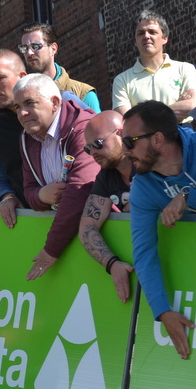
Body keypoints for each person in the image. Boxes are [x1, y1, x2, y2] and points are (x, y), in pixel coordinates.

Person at [123, 100, 196, 359]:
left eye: (130, 142)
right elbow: (144, 254)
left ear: (157, 139)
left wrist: (188, 196)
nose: (125, 152)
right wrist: (162, 310)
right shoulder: (143, 188)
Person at [13, 73, 98, 280]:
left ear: (54, 102)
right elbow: (29, 191)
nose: (22, 113)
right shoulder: (27, 137)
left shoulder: (84, 127)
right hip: (69, 243)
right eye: (17, 107)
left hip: (104, 237)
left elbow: (80, 192)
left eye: (29, 103)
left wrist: (51, 249)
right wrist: (42, 196)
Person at [78, 111, 136, 302]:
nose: (93, 153)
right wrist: (112, 264)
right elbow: (87, 227)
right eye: (88, 149)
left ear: (120, 133)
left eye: (98, 144)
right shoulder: (106, 175)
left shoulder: (147, 161)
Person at [112, 11, 196, 124]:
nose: (146, 36)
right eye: (140, 33)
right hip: (145, 140)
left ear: (165, 38)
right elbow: (128, 121)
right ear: (135, 42)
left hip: (181, 135)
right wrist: (175, 107)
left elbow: (191, 105)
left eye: (152, 32)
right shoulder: (122, 80)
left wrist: (143, 116)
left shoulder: (185, 69)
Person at [0, 50, 29, 227]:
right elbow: (1, 177)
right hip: (32, 219)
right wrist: (7, 196)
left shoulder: (64, 105)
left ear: (22, 77)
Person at [18, 23, 101, 112]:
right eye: (24, 47)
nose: (29, 53)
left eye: (36, 46)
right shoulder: (20, 95)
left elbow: (97, 125)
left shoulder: (82, 93)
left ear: (53, 49)